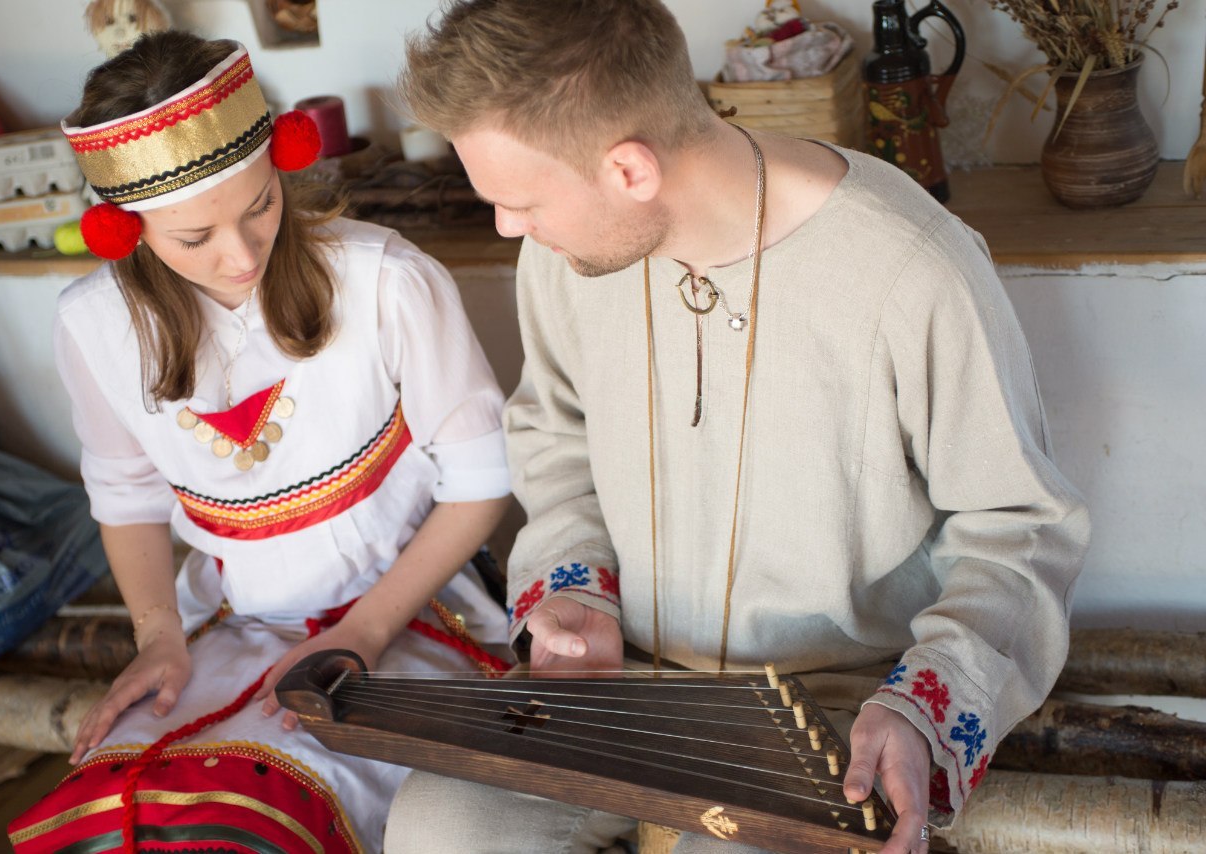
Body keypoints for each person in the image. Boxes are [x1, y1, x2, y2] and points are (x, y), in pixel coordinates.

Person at [385, 2, 1090, 853]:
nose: (508, 225)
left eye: (520, 201)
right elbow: (556, 432)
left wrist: (921, 704)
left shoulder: (912, 271)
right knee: (441, 822)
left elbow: (1020, 528)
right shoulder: (565, 255)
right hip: (621, 684)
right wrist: (574, 590)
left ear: (630, 169)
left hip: (837, 703)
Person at [7, 30, 512, 854]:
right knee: (124, 819)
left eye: (260, 206)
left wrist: (364, 633)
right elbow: (128, 497)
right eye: (194, 238)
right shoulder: (94, 325)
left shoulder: (385, 279)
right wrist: (157, 637)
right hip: (230, 622)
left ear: (283, 163)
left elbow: (479, 482)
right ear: (125, 230)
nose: (242, 255)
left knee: (261, 818)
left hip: (412, 613)